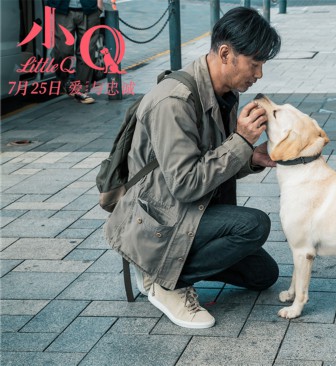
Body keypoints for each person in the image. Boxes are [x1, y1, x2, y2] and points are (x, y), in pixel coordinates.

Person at [104, 7, 281, 329]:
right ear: (226, 54)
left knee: (264, 275)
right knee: (253, 225)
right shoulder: (175, 102)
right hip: (156, 219)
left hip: (187, 210)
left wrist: (252, 158)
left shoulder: (224, 93)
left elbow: (211, 163)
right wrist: (241, 141)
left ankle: (173, 266)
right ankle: (163, 280)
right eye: (254, 64)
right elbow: (186, 184)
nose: (259, 74)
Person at [46, 0, 103, 104]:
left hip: (89, 9)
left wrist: (99, 4)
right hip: (62, 8)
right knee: (62, 51)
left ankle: (81, 90)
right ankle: (64, 81)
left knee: (87, 51)